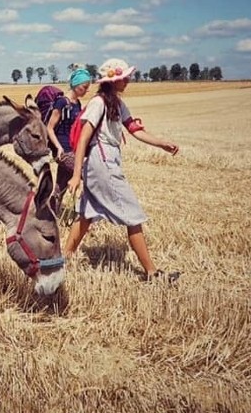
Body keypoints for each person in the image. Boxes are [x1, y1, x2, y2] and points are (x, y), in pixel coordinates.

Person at [64, 58, 180, 281]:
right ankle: (152, 273)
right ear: (112, 81)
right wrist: (76, 174)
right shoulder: (99, 103)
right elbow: (84, 139)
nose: (127, 80)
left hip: (105, 161)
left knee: (86, 213)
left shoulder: (117, 103)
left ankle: (64, 260)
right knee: (132, 215)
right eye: (123, 78)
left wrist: (161, 143)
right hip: (102, 162)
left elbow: (134, 129)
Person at [46, 67, 92, 194]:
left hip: (73, 149)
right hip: (64, 152)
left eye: (88, 87)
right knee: (89, 178)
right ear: (75, 84)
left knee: (60, 187)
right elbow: (49, 128)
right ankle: (85, 212)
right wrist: (58, 147)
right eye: (84, 87)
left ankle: (48, 211)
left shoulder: (77, 103)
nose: (86, 90)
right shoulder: (61, 102)